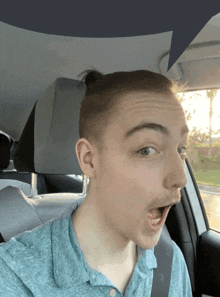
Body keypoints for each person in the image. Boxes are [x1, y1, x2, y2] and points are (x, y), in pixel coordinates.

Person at [0, 70, 192, 296]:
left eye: (181, 149)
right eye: (146, 150)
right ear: (89, 159)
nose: (181, 178)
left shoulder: (170, 262)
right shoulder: (12, 276)